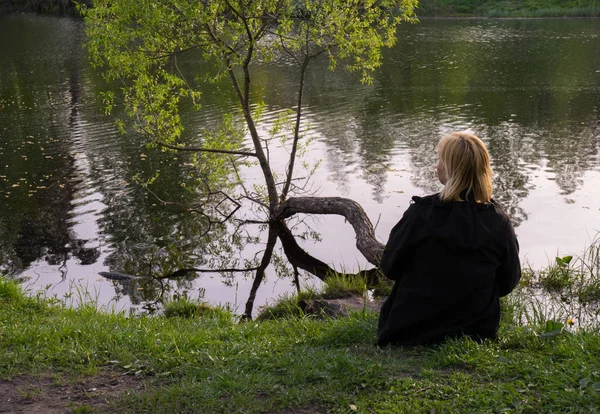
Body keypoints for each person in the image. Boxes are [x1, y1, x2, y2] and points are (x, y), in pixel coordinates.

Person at [377, 132, 521, 347]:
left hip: (408, 330)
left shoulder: (420, 215)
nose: (437, 166)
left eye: (440, 161)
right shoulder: (498, 222)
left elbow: (390, 267)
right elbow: (509, 281)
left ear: (450, 169)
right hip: (475, 331)